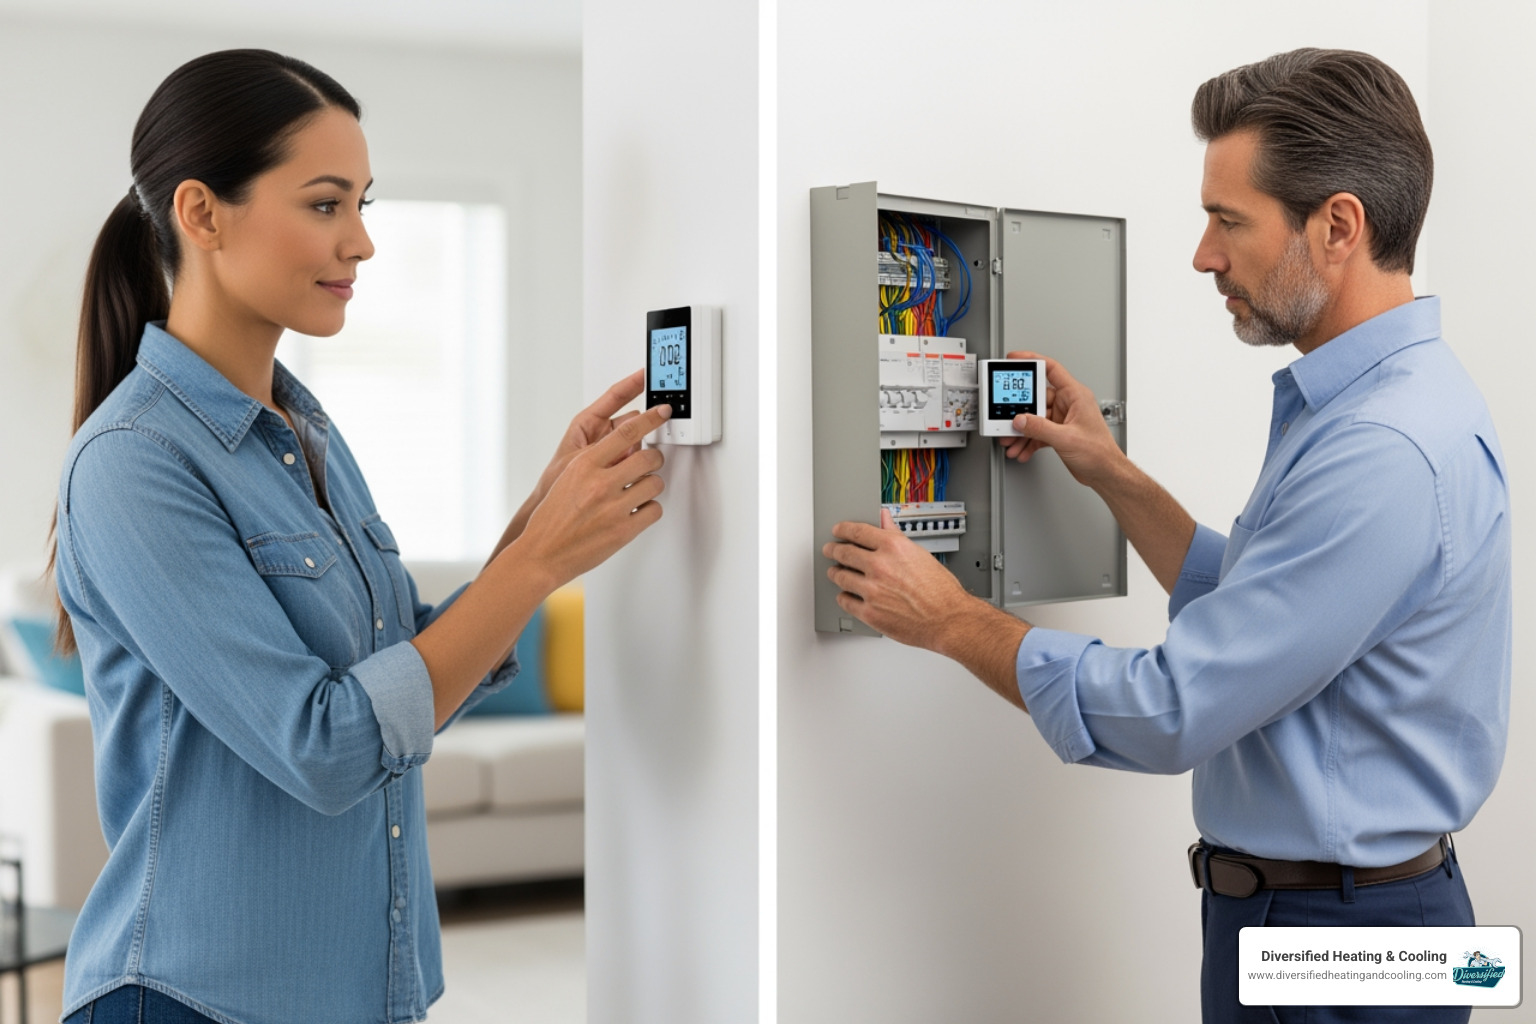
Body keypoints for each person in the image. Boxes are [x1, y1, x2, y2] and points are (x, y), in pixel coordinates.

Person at [823, 48, 1509, 1024]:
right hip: (1359, 920)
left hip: (1335, 941)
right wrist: (1107, 468)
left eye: (1229, 220)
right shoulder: (1389, 401)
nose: (1203, 254)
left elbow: (1174, 707)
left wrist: (951, 619)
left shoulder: (1382, 449)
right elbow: (1275, 611)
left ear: (1339, 225)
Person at [48, 49, 669, 1024]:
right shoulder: (133, 464)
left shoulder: (307, 434)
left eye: (363, 206)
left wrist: (535, 521)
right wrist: (541, 558)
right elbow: (326, 744)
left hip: (359, 996)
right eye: (326, 204)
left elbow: (399, 690)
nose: (363, 244)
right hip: (192, 999)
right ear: (202, 213)